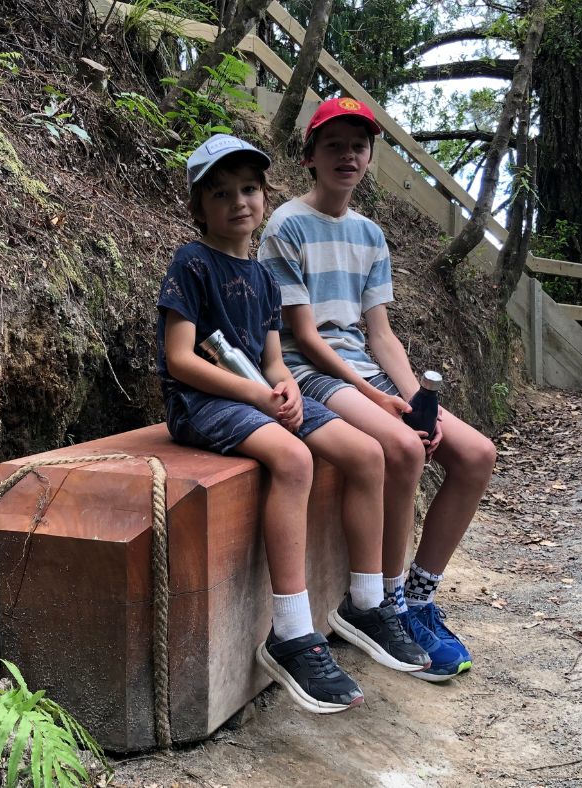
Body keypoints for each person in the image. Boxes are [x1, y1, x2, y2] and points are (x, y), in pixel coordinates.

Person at [156, 133, 430, 714]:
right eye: (222, 193)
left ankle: (366, 601)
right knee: (296, 458)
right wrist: (258, 391)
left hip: (257, 396)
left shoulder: (263, 277)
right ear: (199, 207)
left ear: (263, 194)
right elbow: (180, 359)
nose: (240, 203)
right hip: (201, 403)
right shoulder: (191, 263)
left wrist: (280, 385)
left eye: (250, 188)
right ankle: (291, 631)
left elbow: (276, 356)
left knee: (367, 454)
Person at [258, 98, 497, 682]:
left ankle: (417, 595)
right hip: (312, 372)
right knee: (407, 447)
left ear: (369, 157)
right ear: (310, 155)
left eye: (358, 146)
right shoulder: (285, 225)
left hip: (366, 369)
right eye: (333, 145)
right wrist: (376, 397)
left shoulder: (369, 233)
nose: (347, 155)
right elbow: (306, 337)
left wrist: (417, 400)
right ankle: (384, 603)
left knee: (475, 455)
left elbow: (382, 333)